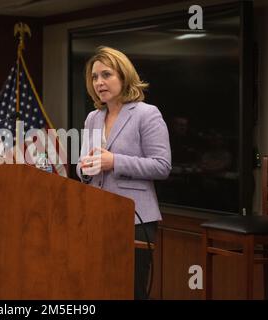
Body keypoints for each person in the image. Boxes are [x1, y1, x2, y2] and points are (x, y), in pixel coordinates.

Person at [76, 46, 172, 300]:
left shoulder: (147, 114)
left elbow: (162, 165)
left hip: (135, 217)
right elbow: (83, 163)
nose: (99, 82)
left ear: (124, 76)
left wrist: (114, 161)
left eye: (106, 75)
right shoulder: (93, 118)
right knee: (98, 288)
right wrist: (84, 167)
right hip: (96, 214)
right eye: (94, 77)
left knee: (130, 290)